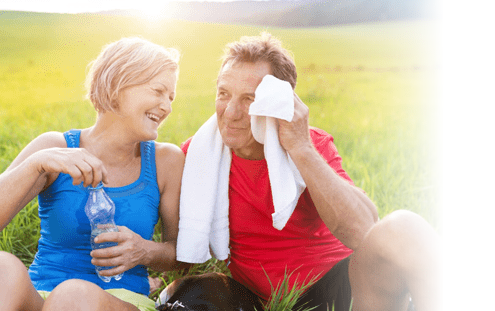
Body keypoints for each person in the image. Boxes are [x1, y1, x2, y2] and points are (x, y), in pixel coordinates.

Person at [175, 32, 439, 311]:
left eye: (249, 99)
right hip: (263, 301)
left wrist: (301, 148)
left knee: (404, 226)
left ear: (277, 102)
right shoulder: (201, 156)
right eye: (224, 94)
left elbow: (362, 230)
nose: (230, 112)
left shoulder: (311, 145)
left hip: (343, 287)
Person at [0, 37, 188, 311]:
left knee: (75, 296)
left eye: (171, 97)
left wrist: (144, 250)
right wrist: (35, 164)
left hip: (122, 300)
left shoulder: (166, 160)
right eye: (158, 91)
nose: (167, 106)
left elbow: (181, 254)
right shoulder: (54, 149)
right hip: (42, 296)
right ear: (116, 85)